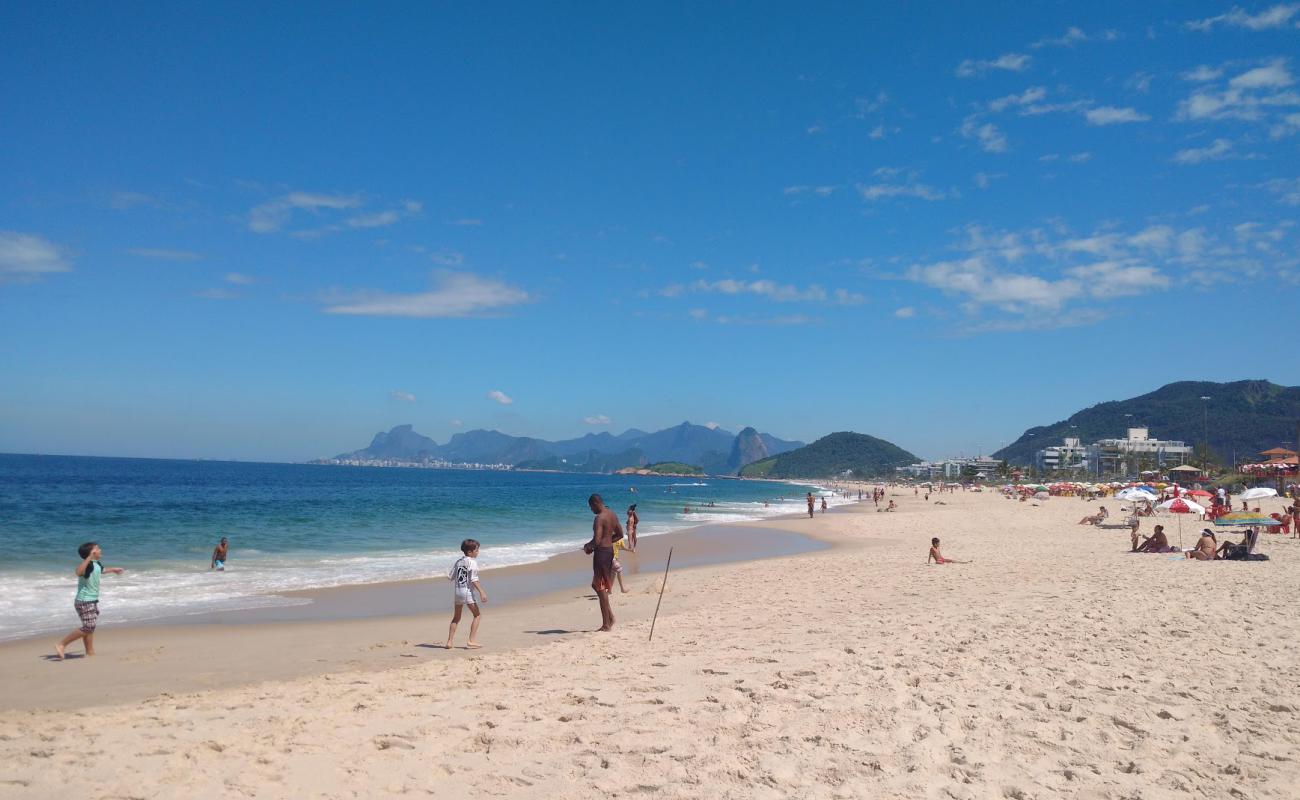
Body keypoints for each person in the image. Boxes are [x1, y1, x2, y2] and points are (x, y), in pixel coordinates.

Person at [55, 542, 125, 660]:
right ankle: (62, 644)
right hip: (84, 601)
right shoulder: (88, 564)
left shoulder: (96, 564)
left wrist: (113, 569)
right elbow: (78, 572)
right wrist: (88, 558)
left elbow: (101, 570)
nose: (100, 550)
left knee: (89, 627)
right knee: (88, 627)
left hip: (91, 600)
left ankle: (90, 652)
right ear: (92, 553)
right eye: (97, 549)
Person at [583, 494, 624, 632]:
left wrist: (588, 546)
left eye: (591, 507)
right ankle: (610, 617)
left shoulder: (599, 518)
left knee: (600, 588)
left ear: (595, 503)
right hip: (609, 551)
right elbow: (619, 534)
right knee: (597, 585)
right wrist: (607, 542)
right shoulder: (612, 514)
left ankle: (607, 623)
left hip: (601, 554)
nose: (591, 510)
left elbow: (597, 540)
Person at [445, 538, 486, 649]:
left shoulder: (458, 561)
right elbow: (474, 579)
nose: (478, 552)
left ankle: (449, 642)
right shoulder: (472, 562)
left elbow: (450, 577)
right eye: (476, 550)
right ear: (469, 552)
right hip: (467, 593)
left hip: (457, 592)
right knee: (477, 615)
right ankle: (471, 640)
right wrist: (482, 592)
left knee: (456, 618)